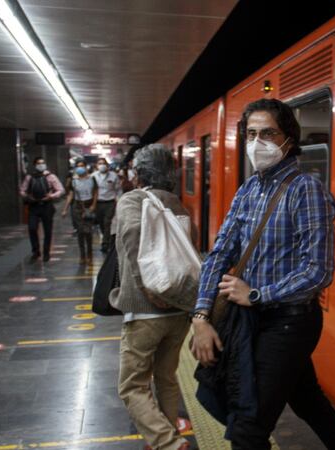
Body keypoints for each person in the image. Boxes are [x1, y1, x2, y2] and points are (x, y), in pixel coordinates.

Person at [191, 98, 335, 450]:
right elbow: (220, 252)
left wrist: (256, 295)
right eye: (251, 133)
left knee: (248, 429)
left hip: (289, 322)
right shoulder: (250, 188)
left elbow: (318, 270)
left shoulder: (305, 190)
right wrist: (201, 315)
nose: (258, 142)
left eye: (268, 133)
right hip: (252, 321)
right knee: (308, 400)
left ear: (288, 138)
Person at [108, 144, 192, 450]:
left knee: (131, 386)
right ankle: (167, 435)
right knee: (166, 377)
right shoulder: (177, 203)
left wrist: (149, 290)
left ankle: (168, 443)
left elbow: (131, 238)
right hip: (178, 311)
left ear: (139, 172)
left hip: (146, 311)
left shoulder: (132, 200)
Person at [19, 157, 65, 261]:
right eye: (39, 163)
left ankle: (46, 252)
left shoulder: (51, 176)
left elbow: (61, 190)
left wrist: (52, 196)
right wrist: (27, 196)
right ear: (35, 165)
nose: (41, 165)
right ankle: (36, 251)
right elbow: (22, 190)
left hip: (47, 206)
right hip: (34, 206)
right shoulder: (29, 177)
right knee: (32, 228)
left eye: (43, 163)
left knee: (48, 230)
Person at [62, 160, 98, 264]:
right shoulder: (73, 181)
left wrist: (94, 205)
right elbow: (70, 195)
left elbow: (95, 192)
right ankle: (82, 255)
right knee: (80, 231)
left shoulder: (92, 179)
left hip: (88, 206)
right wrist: (65, 209)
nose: (80, 168)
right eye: (78, 166)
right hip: (77, 207)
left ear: (86, 167)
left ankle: (90, 254)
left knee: (88, 231)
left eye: (82, 166)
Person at [94, 157, 121, 252]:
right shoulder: (93, 176)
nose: (102, 165)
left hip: (110, 202)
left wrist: (119, 201)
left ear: (107, 165)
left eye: (103, 163)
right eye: (100, 163)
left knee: (107, 222)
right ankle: (106, 237)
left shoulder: (113, 176)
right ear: (97, 166)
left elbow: (118, 189)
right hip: (97, 203)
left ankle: (105, 243)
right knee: (101, 223)